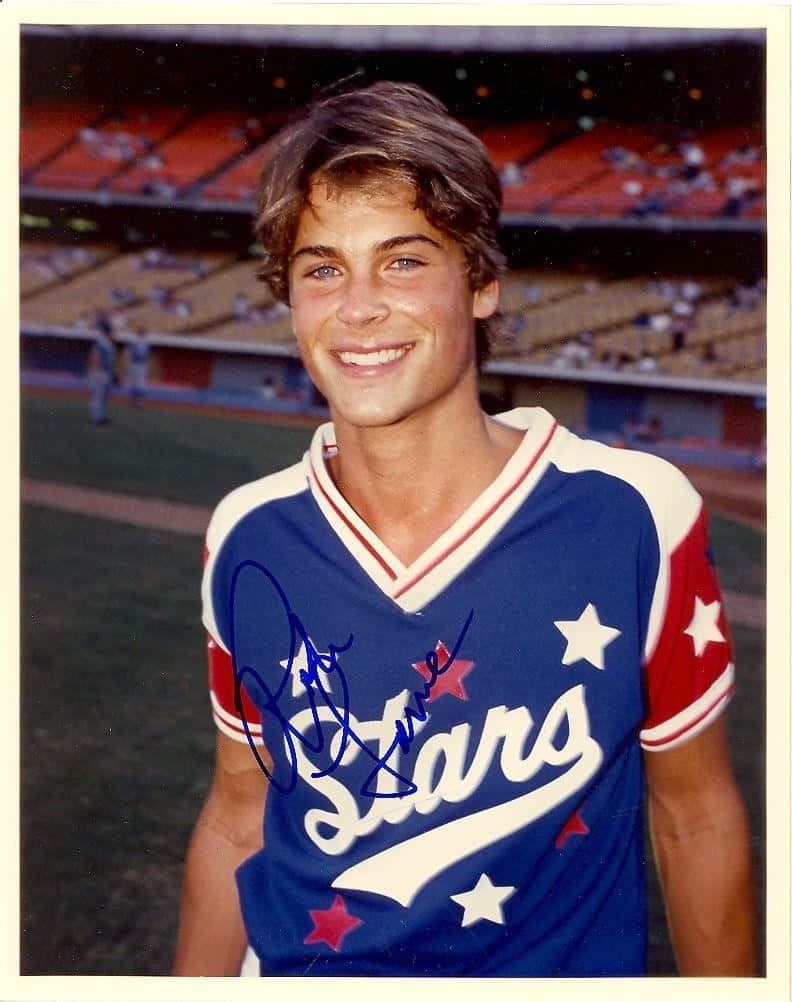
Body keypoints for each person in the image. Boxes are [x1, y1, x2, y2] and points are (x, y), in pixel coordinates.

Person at [173, 81, 756, 978]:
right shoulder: (248, 534)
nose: (358, 307)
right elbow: (239, 813)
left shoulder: (632, 511)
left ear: (481, 283)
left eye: (404, 262)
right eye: (322, 268)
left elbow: (695, 815)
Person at [87, 317, 116, 425]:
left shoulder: (108, 343)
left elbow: (110, 359)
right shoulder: (101, 342)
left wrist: (112, 372)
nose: (111, 333)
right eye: (109, 331)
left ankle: (102, 416)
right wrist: (96, 370)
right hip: (101, 371)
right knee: (99, 395)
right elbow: (95, 356)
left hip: (107, 371)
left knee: (104, 396)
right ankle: (97, 418)